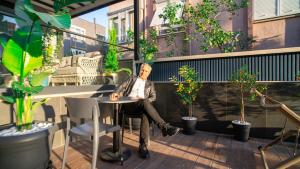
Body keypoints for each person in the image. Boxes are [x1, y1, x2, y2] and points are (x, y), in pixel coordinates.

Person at [109, 63, 180, 159]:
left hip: (142, 106)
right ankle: (164, 127)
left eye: (146, 71)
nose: (143, 72)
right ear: (140, 70)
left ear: (149, 73)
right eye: (142, 70)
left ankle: (143, 146)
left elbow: (153, 97)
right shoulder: (132, 79)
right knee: (145, 102)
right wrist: (115, 93)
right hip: (129, 105)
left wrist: (143, 101)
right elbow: (121, 87)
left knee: (145, 113)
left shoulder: (150, 83)